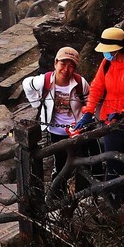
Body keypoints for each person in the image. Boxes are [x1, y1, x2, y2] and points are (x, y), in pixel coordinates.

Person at [75, 27, 124, 205]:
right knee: (112, 162)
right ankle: (116, 203)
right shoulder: (107, 63)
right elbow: (97, 88)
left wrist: (123, 113)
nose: (105, 53)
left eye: (108, 50)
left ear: (117, 48)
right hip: (110, 123)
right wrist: (88, 112)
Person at [23, 47, 92, 192]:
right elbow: (26, 84)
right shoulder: (45, 80)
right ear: (55, 63)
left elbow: (89, 103)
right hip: (56, 131)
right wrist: (36, 103)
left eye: (71, 65)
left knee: (83, 162)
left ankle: (82, 194)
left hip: (77, 130)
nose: (66, 69)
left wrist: (85, 119)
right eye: (63, 64)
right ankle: (58, 196)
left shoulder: (80, 83)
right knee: (60, 164)